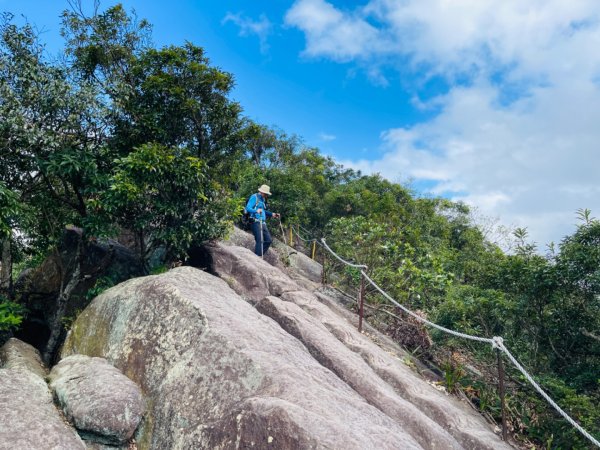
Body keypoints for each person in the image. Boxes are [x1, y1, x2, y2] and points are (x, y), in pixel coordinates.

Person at [245, 185, 280, 256]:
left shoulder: (263, 200)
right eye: (266, 193)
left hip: (262, 222)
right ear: (262, 192)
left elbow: (263, 211)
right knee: (259, 240)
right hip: (255, 221)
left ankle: (258, 255)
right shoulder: (254, 197)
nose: (266, 195)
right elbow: (248, 208)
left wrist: (272, 214)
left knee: (268, 240)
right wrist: (256, 210)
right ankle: (256, 258)